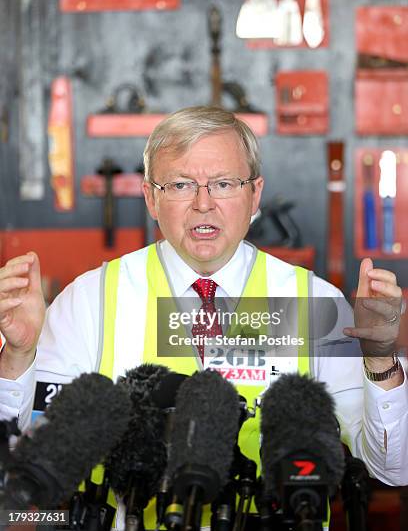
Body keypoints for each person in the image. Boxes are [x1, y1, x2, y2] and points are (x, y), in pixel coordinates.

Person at [0, 106, 406, 495]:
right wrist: (17, 358)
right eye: (180, 185)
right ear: (150, 198)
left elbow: (393, 469)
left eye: (224, 183)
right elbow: (25, 463)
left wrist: (380, 360)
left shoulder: (314, 302)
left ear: (255, 195)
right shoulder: (89, 301)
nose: (203, 203)